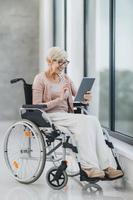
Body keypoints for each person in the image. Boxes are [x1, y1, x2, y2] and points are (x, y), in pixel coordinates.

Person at [32, 47, 123, 179]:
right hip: (49, 116)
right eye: (59, 62)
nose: (63, 65)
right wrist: (60, 99)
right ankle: (89, 168)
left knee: (92, 120)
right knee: (84, 121)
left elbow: (78, 97)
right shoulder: (40, 79)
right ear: (49, 61)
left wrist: (86, 99)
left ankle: (107, 166)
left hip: (66, 116)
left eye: (65, 62)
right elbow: (36, 106)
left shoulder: (66, 79)